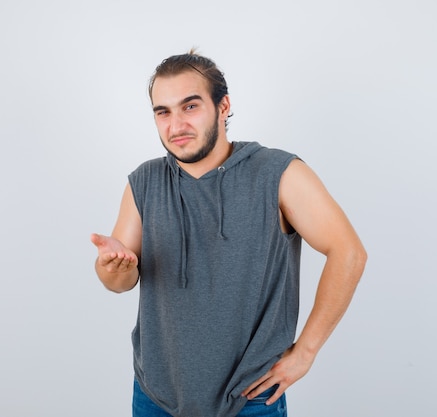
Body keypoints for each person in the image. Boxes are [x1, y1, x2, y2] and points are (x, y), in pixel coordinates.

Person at [90, 49, 367, 417]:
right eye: (163, 112)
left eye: (190, 107)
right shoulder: (145, 181)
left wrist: (306, 353)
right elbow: (118, 280)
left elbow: (348, 252)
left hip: (251, 398)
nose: (176, 125)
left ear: (223, 107)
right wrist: (115, 269)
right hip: (155, 395)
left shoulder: (278, 173)